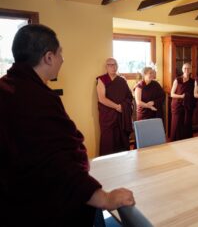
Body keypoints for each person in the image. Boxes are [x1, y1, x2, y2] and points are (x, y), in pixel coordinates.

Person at [0, 24, 135, 227]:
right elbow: (58, 162)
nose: (62, 59)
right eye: (60, 53)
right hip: (40, 205)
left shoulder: (6, 86)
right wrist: (105, 199)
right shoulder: (37, 99)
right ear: (48, 57)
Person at [96, 58, 133, 156]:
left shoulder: (121, 80)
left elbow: (129, 97)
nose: (113, 67)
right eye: (110, 65)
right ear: (106, 67)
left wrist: (123, 107)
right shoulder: (102, 80)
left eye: (115, 64)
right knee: (108, 141)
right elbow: (102, 99)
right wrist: (117, 107)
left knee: (122, 140)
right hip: (108, 117)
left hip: (121, 116)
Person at [170, 63, 195, 141]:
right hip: (177, 105)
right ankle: (174, 142)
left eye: (188, 68)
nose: (186, 70)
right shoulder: (177, 80)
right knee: (176, 124)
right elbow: (172, 94)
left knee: (186, 124)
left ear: (191, 70)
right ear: (182, 69)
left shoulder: (193, 81)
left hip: (187, 106)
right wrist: (181, 96)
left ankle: (186, 142)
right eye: (185, 68)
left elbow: (194, 94)